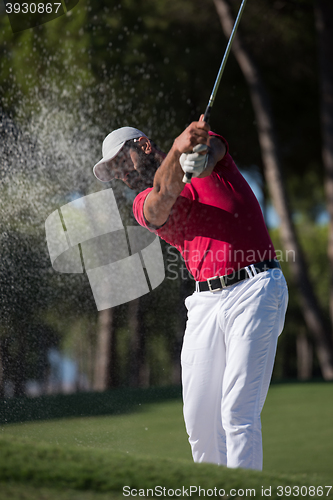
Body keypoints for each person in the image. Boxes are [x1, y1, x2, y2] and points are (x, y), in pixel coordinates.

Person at [93, 119, 288, 471]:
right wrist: (180, 159)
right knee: (198, 423)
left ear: (145, 146)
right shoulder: (142, 203)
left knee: (237, 412)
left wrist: (195, 153)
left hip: (255, 288)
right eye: (114, 171)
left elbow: (212, 151)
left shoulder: (203, 148)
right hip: (204, 304)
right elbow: (160, 202)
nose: (121, 174)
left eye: (122, 161)